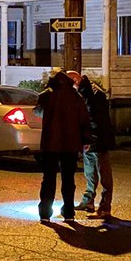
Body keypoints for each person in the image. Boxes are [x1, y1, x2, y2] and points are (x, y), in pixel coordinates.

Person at [36, 69, 92, 223]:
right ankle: (68, 212)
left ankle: (45, 213)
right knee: (68, 179)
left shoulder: (47, 96)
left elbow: (38, 113)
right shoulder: (76, 97)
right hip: (70, 144)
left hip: (50, 144)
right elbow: (84, 120)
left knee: (48, 178)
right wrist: (86, 140)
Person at [69, 70, 116, 219]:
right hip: (90, 140)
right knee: (90, 173)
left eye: (71, 81)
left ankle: (105, 207)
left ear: (76, 80)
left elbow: (95, 119)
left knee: (104, 175)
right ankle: (88, 201)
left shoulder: (91, 94)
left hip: (97, 141)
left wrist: (91, 139)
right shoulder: (86, 92)